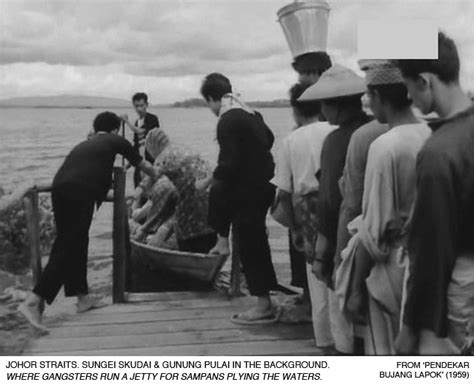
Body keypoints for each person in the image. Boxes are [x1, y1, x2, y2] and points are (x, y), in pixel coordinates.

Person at [18, 112, 157, 332]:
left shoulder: (89, 143)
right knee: (69, 244)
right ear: (113, 129)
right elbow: (144, 166)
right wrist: (163, 175)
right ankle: (34, 300)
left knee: (74, 241)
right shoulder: (115, 140)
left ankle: (82, 297)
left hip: (60, 187)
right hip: (79, 191)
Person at [342, 60, 431, 355]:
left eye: (369, 96)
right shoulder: (432, 135)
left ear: (378, 97)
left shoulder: (385, 146)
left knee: (385, 350)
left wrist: (354, 287)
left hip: (395, 265)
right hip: (434, 262)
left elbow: (373, 230)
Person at [394, 32, 474, 355]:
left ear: (425, 81)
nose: (411, 99)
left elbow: (431, 251)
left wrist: (410, 328)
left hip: (460, 286)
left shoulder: (439, 152)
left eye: (410, 88)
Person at [299, 64, 371, 354]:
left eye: (323, 105)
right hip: (379, 241)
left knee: (345, 329)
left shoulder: (337, 141)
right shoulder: (376, 129)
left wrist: (321, 256)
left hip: (348, 244)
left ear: (334, 106)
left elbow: (330, 203)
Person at [198, 73, 279, 324]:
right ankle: (265, 298)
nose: (211, 109)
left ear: (212, 99)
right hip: (265, 186)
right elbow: (270, 138)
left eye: (208, 103)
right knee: (257, 243)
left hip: (249, 190)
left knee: (250, 245)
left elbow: (228, 163)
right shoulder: (250, 112)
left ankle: (263, 304)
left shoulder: (227, 120)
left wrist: (208, 181)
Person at [272, 83, 335, 332]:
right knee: (341, 273)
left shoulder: (291, 141)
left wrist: (295, 230)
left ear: (295, 110)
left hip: (308, 212)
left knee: (317, 279)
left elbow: (284, 193)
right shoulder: (335, 131)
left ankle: (325, 340)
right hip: (338, 205)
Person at [285, 51, 333, 312]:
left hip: (322, 194)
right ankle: (307, 295)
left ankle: (318, 306)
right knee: (303, 250)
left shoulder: (329, 110)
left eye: (304, 73)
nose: (301, 78)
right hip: (307, 196)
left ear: (317, 74)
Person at [142, 127, 217, 253]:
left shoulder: (162, 158)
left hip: (191, 225)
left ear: (152, 147)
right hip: (213, 219)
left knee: (183, 232)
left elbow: (160, 191)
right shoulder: (183, 149)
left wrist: (144, 228)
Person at [120, 92, 160, 187]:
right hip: (140, 164)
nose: (139, 109)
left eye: (141, 105)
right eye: (136, 106)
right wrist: (128, 165)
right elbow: (136, 147)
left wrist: (126, 121)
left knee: (150, 193)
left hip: (151, 164)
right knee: (137, 193)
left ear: (147, 105)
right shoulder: (137, 122)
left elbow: (140, 132)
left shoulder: (152, 119)